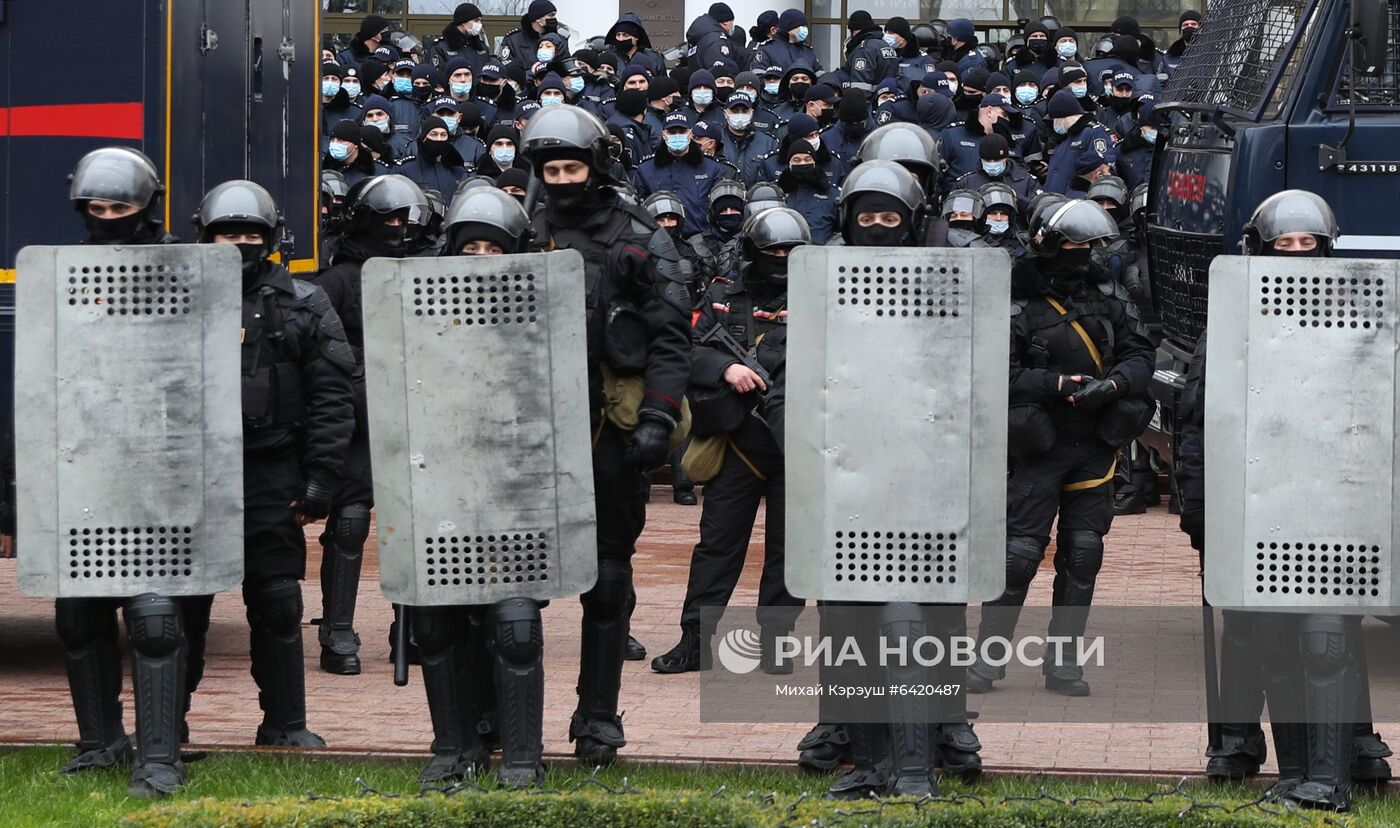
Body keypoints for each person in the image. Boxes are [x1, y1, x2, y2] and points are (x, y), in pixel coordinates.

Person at [1177, 191, 1392, 810]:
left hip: (1339, 506)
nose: (1296, 256)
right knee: (1269, 640)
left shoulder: (1367, 318)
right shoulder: (1234, 322)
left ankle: (1334, 775)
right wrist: (1199, 503)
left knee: (1324, 641)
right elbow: (1201, 420)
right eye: (1283, 245)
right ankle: (1295, 775)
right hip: (1261, 504)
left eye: (1308, 245)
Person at [522, 105, 692, 764]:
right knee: (516, 589)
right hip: (534, 432)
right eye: (551, 168)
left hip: (609, 431)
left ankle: (598, 719)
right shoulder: (522, 234)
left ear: (597, 166)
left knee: (609, 578)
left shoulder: (642, 238)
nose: (562, 179)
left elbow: (672, 340)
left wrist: (656, 416)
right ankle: (507, 727)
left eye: (572, 166)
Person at [53, 148, 207, 799]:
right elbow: (44, 378)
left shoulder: (183, 273)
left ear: (147, 206)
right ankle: (99, 742)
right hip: (86, 461)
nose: (109, 217)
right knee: (79, 612)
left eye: (121, 207)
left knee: (155, 616)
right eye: (99, 207)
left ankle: (160, 754)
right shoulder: (63, 275)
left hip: (161, 464)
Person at [966, 199, 1154, 697]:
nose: (1082, 254)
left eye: (1088, 246)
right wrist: (1056, 384)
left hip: (1095, 443)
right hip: (1038, 445)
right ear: (1046, 244)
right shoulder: (1015, 301)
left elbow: (1141, 354)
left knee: (1083, 554)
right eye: (1072, 245)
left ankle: (1064, 663)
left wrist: (1112, 386)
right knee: (1018, 557)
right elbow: (995, 373)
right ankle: (988, 661)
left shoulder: (1108, 294)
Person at [193, 179, 356, 743]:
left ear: (268, 239)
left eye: (248, 234)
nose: (237, 243)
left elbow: (333, 399)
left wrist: (321, 480)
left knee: (279, 602)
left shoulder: (304, 303)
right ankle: (167, 731)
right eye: (225, 234)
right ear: (204, 236)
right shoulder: (176, 299)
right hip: (195, 477)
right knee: (182, 606)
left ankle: (286, 726)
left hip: (272, 471)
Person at [652, 206, 809, 675]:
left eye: (790, 251)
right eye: (773, 251)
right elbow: (687, 346)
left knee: (790, 552)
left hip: (797, 447)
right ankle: (695, 639)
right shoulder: (724, 294)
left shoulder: (820, 295)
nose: (781, 258)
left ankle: (777, 642)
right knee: (717, 547)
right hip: (738, 445)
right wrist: (726, 367)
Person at [311, 175, 429, 676]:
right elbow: (319, 358)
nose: (401, 228)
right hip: (357, 420)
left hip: (411, 415)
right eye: (392, 218)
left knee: (414, 527)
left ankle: (414, 627)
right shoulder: (334, 282)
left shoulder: (422, 274)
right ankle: (337, 629)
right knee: (352, 522)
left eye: (408, 219)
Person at [633, 112, 730, 238]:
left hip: (702, 241)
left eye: (682, 131)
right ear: (663, 135)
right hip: (660, 239)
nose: (677, 135)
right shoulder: (646, 169)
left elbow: (719, 208)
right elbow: (639, 210)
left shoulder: (711, 167)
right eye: (672, 132)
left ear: (690, 134)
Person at [1043, 90, 1117, 197]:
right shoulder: (1064, 139)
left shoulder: (1094, 133)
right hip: (1054, 203)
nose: (1054, 124)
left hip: (1077, 204)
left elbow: (1104, 171)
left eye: (1054, 120)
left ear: (1062, 117)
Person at [397, 117, 469, 195]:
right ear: (424, 138)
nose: (439, 139)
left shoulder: (458, 170)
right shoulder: (407, 170)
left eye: (443, 135)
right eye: (433, 134)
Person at [754, 9, 822, 73]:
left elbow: (820, 74)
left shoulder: (808, 51)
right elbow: (758, 75)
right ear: (790, 28)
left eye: (805, 26)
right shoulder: (767, 50)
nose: (805, 29)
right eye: (801, 26)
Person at [429, 3, 491, 72]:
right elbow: (438, 76)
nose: (479, 24)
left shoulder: (482, 47)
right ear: (463, 22)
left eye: (480, 20)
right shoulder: (441, 48)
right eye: (476, 20)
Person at [844, 10, 897, 88]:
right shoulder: (885, 45)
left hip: (871, 98)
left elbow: (860, 86)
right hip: (888, 97)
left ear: (854, 30)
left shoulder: (863, 49)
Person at [1162, 10, 1203, 77]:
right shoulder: (1168, 59)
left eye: (1194, 24)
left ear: (1201, 29)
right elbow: (1162, 83)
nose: (1189, 27)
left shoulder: (1213, 55)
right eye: (1185, 25)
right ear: (1180, 30)